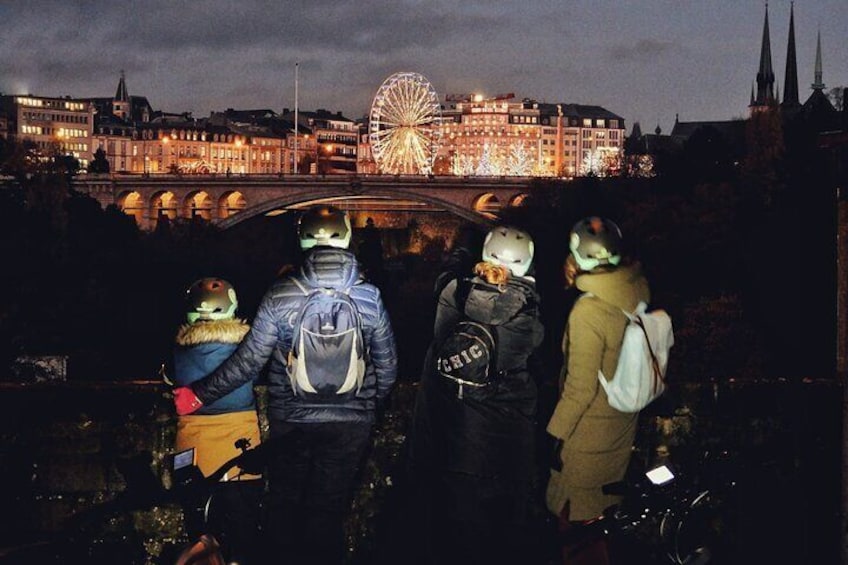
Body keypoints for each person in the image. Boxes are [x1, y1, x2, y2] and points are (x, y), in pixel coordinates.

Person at [173, 204, 398, 565]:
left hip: (292, 419)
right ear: (346, 238)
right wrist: (369, 406)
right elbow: (387, 367)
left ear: (303, 240)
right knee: (328, 512)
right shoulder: (369, 297)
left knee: (285, 507)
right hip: (351, 423)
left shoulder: (280, 295)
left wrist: (198, 395)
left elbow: (248, 362)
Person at [411, 225, 544, 565]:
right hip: (510, 442)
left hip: (459, 433)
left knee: (456, 535)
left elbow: (441, 345)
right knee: (503, 536)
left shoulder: (455, 293)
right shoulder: (528, 311)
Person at [545, 216, 651, 565]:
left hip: (587, 435)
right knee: (602, 524)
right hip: (620, 423)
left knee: (577, 528)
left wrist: (553, 436)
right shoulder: (636, 290)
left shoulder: (589, 310)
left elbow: (580, 388)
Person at [171, 277, 264, 565]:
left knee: (201, 532)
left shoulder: (180, 350)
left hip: (192, 449)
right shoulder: (245, 347)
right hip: (239, 446)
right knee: (243, 530)